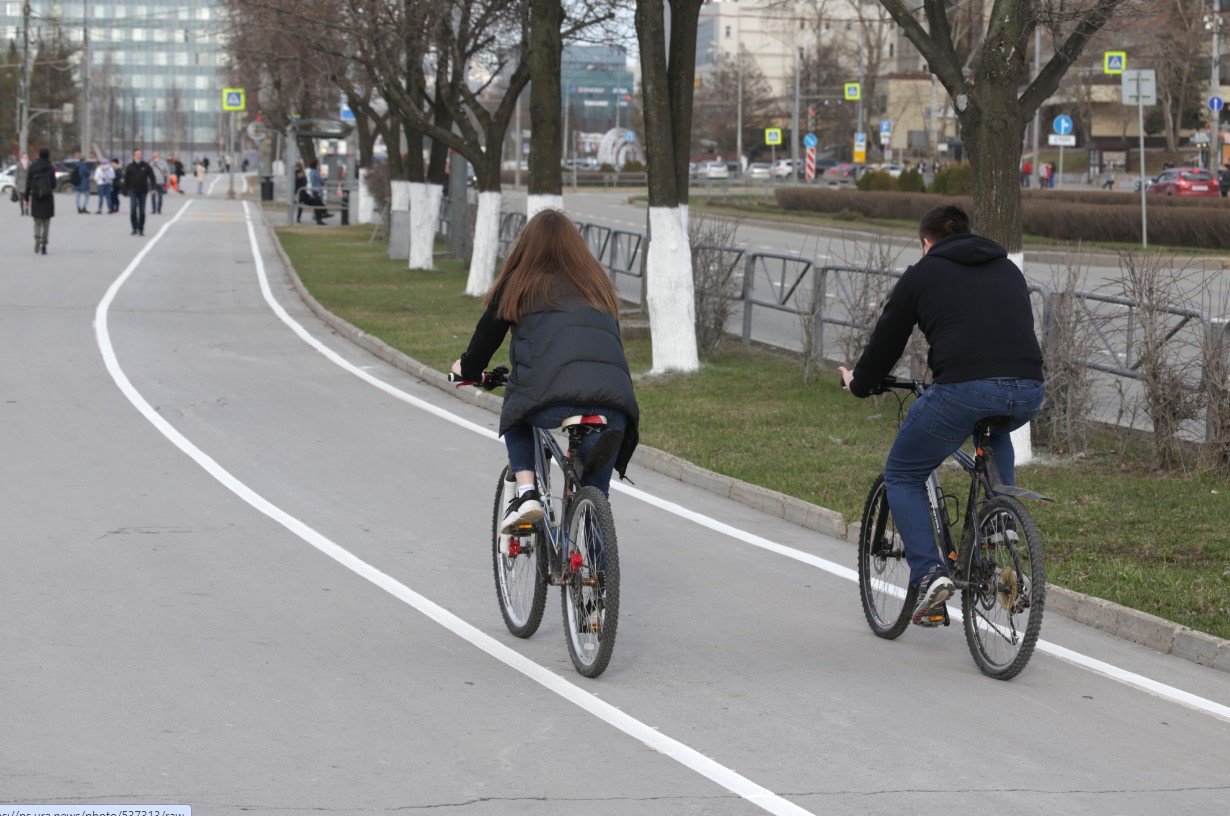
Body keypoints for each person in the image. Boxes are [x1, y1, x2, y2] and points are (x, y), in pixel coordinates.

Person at [838, 205, 1044, 627]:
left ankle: (930, 574)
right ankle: (1000, 522)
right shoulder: (1007, 269)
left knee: (902, 474)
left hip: (965, 389)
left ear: (927, 243)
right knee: (994, 423)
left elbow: (887, 340)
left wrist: (859, 383)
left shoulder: (923, 273)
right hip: (1028, 391)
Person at [451, 208, 640, 532]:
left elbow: (483, 345)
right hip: (615, 401)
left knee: (518, 407)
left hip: (551, 395)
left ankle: (526, 494)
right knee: (598, 494)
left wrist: (465, 369)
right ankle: (601, 578)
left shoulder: (518, 284)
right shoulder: (599, 286)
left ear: (527, 246)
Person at [24, 147, 56, 254]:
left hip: (36, 197)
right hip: (47, 197)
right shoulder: (50, 167)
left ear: (39, 155)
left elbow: (28, 183)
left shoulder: (33, 167)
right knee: (46, 222)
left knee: (37, 221)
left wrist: (26, 197)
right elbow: (54, 184)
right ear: (48, 156)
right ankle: (44, 245)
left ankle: (37, 237)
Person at [123, 148, 156, 236]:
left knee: (142, 211)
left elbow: (152, 177)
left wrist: (153, 187)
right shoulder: (130, 166)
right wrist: (124, 191)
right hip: (132, 190)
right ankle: (134, 228)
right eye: (137, 154)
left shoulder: (145, 165)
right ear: (134, 156)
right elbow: (126, 179)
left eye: (140, 154)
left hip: (143, 190)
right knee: (133, 208)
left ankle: (141, 228)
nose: (139, 155)